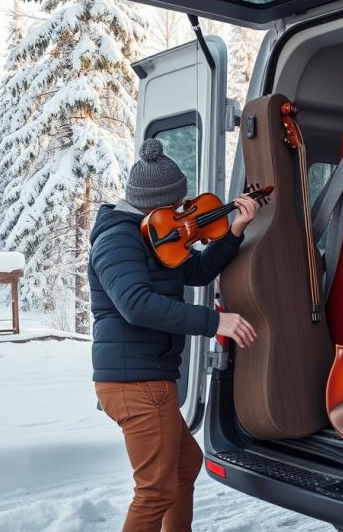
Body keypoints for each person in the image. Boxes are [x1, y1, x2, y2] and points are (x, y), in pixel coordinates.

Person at [88, 138, 259, 532]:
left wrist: (233, 232)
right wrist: (217, 322)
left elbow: (196, 272)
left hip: (151, 378)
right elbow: (136, 304)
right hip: (135, 383)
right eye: (175, 205)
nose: (184, 214)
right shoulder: (118, 238)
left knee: (185, 467)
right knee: (155, 490)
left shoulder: (156, 236)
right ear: (152, 203)